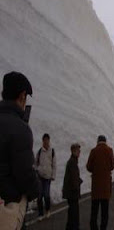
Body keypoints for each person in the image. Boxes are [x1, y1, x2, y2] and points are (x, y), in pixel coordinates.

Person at [0, 72, 40, 229]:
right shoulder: (20, 128)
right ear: (22, 96)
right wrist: (36, 189)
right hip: (7, 207)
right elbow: (24, 174)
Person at [86, 135, 114, 230]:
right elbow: (113, 165)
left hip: (96, 186)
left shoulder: (94, 151)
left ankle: (94, 228)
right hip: (106, 187)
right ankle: (103, 228)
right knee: (104, 211)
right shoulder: (109, 150)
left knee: (94, 210)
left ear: (98, 141)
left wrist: (96, 170)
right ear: (105, 141)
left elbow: (89, 167)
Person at [36, 133, 57, 221]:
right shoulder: (40, 151)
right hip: (40, 177)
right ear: (42, 141)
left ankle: (47, 210)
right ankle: (40, 214)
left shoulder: (52, 151)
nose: (46, 142)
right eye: (44, 140)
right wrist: (37, 170)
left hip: (48, 177)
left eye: (47, 140)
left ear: (49, 140)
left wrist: (53, 175)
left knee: (46, 195)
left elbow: (54, 164)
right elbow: (36, 163)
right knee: (39, 196)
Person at [62, 143, 82, 230]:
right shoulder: (73, 162)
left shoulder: (72, 161)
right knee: (74, 212)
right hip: (72, 192)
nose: (79, 152)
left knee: (72, 211)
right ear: (74, 151)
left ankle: (69, 227)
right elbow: (74, 178)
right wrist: (77, 186)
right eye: (78, 150)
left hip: (70, 191)